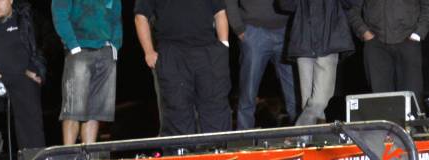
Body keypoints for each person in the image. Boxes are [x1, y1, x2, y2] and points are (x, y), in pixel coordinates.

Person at [134, 0, 231, 136]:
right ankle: (179, 153)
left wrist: (223, 45)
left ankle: (217, 153)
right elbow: (140, 16)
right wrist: (148, 52)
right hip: (172, 52)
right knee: (177, 112)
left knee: (215, 109)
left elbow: (220, 11)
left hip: (207, 51)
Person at [0, 0, 46, 152]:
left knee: (27, 88)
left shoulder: (27, 18)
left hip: (21, 75)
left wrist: (37, 69)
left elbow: (43, 47)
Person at [51, 0, 122, 145]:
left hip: (105, 50)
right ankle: (69, 157)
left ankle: (90, 158)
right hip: (79, 50)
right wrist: (73, 45)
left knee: (96, 113)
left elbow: (116, 17)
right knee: (72, 111)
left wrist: (114, 45)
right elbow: (60, 14)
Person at [279, 0, 353, 127]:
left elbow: (350, 3)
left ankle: (299, 134)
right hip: (304, 41)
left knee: (318, 102)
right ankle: (314, 140)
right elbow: (285, 5)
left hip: (329, 41)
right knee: (307, 103)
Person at [226, 0, 297, 129]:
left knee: (294, 91)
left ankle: (301, 137)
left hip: (286, 29)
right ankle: (244, 140)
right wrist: (238, 27)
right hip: (254, 30)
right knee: (248, 92)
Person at [346, 0, 429, 98]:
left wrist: (419, 33)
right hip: (376, 44)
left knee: (412, 97)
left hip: (409, 41)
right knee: (380, 98)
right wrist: (364, 32)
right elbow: (351, 6)